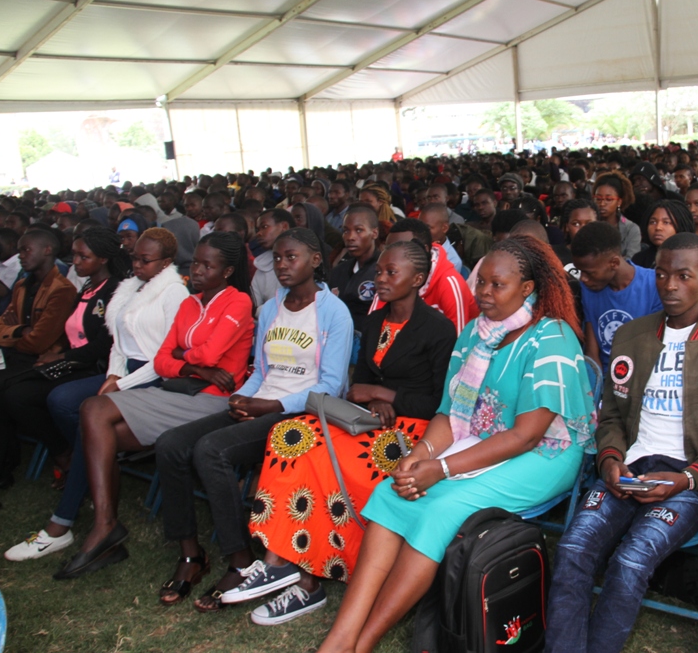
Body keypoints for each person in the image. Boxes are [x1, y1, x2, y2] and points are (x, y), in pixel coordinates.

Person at [315, 235, 595, 653]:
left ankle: (364, 642)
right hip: (480, 441)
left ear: (527, 288)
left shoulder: (550, 338)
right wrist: (420, 456)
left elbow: (526, 435)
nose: (483, 292)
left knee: (440, 510)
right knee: (392, 493)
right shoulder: (474, 334)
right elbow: (449, 414)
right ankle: (341, 637)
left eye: (497, 285)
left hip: (544, 454)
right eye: (481, 281)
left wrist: (442, 468)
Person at [545, 233, 698, 653]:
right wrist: (609, 460)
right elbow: (612, 415)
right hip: (629, 468)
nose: (669, 285)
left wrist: (689, 478)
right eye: (663, 274)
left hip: (693, 477)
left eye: (684, 276)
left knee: (631, 560)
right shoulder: (632, 336)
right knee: (574, 548)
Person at [218, 239, 456, 624]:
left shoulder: (439, 329)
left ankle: (309, 575)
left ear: (417, 279)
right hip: (368, 420)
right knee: (291, 435)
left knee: (330, 462)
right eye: (379, 271)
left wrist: (385, 395)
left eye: (390, 272)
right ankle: (283, 561)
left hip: (414, 432)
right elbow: (358, 385)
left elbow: (437, 402)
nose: (380, 279)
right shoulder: (374, 322)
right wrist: (372, 399)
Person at [154, 228, 353, 611]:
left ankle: (239, 559)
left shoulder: (333, 312)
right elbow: (262, 370)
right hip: (262, 402)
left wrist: (271, 406)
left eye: (291, 257)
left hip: (300, 415)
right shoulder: (271, 308)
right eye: (277, 257)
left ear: (315, 260)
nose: (281, 265)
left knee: (211, 450)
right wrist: (243, 397)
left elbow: (330, 385)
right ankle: (191, 554)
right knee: (171, 444)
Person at [54, 232, 254, 579]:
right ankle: (105, 525)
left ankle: (106, 528)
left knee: (95, 417)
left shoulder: (238, 302)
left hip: (213, 400)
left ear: (227, 271)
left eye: (208, 266)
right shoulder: (190, 304)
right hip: (178, 391)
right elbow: (162, 361)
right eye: (196, 263)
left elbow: (209, 354)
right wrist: (192, 366)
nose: (198, 271)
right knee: (96, 418)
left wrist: (183, 355)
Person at [4, 229, 190, 561]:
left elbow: (166, 356)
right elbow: (118, 340)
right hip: (123, 371)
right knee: (64, 402)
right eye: (134, 258)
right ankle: (97, 467)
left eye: (145, 260)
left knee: (89, 424)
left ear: (166, 262)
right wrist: (114, 374)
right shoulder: (131, 286)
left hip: (152, 377)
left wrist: (124, 383)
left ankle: (61, 523)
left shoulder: (174, 292)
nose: (136, 265)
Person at [0, 228, 129, 514]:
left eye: (83, 256)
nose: (75, 262)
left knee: (17, 395)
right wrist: (52, 350)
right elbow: (63, 332)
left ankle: (63, 452)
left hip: (92, 367)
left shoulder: (113, 292)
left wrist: (61, 356)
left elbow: (103, 345)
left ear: (102, 259)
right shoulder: (86, 288)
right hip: (68, 359)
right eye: (74, 255)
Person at [0, 229, 77, 398]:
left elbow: (38, 343)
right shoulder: (21, 286)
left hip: (36, 359)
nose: (20, 256)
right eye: (19, 251)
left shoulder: (62, 289)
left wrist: (12, 334)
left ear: (47, 250)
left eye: (26, 250)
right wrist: (21, 330)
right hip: (9, 354)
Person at [572, 221, 662, 373]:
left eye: (589, 273)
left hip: (641, 376)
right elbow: (592, 353)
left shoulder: (653, 285)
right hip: (605, 379)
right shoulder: (589, 289)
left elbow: (653, 350)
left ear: (613, 263)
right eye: (580, 271)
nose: (583, 279)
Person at [371, 218, 478, 333]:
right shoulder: (388, 282)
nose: (391, 256)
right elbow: (372, 330)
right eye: (388, 249)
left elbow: (457, 338)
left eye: (402, 249)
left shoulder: (449, 283)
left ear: (424, 249)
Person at [328, 204, 380, 334]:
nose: (350, 237)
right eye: (346, 231)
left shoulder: (383, 271)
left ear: (374, 233)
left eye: (359, 230)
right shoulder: (339, 271)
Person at [632, 199, 695, 269]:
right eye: (653, 222)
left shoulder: (693, 258)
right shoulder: (639, 259)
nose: (658, 227)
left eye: (666, 222)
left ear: (681, 226)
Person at [592, 172, 641, 259]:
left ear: (619, 202)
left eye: (608, 199)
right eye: (598, 199)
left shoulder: (631, 229)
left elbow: (631, 260)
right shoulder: (589, 224)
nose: (602, 204)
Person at [252, 209, 293, 309]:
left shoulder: (304, 264)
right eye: (257, 230)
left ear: (284, 227)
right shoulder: (261, 267)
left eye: (264, 227)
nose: (259, 233)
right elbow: (255, 308)